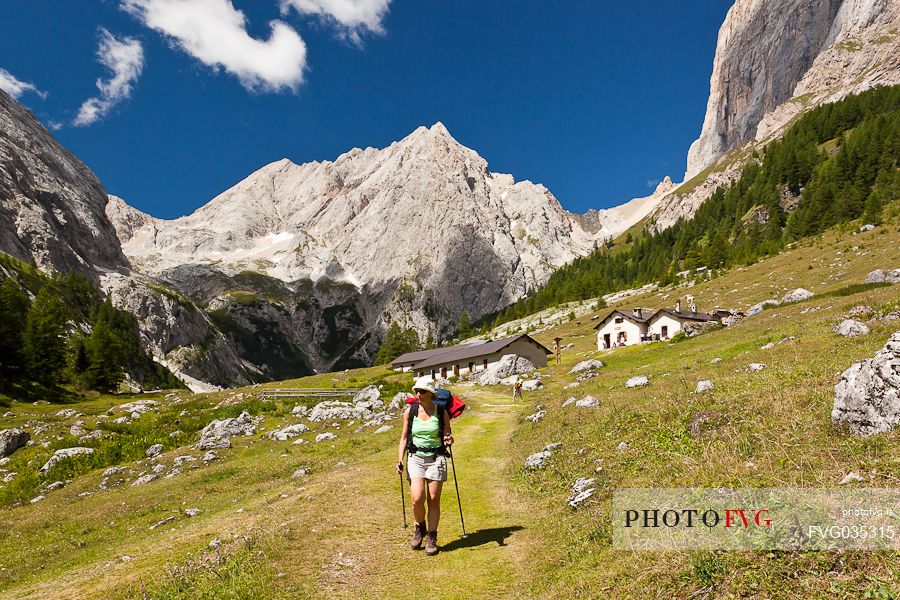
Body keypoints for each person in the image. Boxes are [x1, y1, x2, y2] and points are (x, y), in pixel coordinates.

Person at [397, 376, 454, 555]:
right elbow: (404, 438)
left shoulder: (440, 411)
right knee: (417, 499)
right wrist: (399, 459)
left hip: (436, 458)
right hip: (415, 458)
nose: (418, 394)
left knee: (434, 499)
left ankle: (431, 536)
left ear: (430, 394)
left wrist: (449, 440)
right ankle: (420, 528)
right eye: (416, 391)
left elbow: (447, 433)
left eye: (422, 391)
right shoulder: (410, 411)